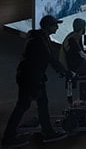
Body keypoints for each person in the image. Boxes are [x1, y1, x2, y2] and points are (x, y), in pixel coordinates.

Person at [2, 15, 70, 148]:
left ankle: (48, 132)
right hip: (30, 78)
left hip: (34, 77)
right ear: (48, 26)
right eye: (55, 25)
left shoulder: (42, 37)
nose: (57, 27)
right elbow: (50, 59)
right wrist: (65, 72)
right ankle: (8, 138)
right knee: (23, 106)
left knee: (42, 104)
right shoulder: (38, 40)